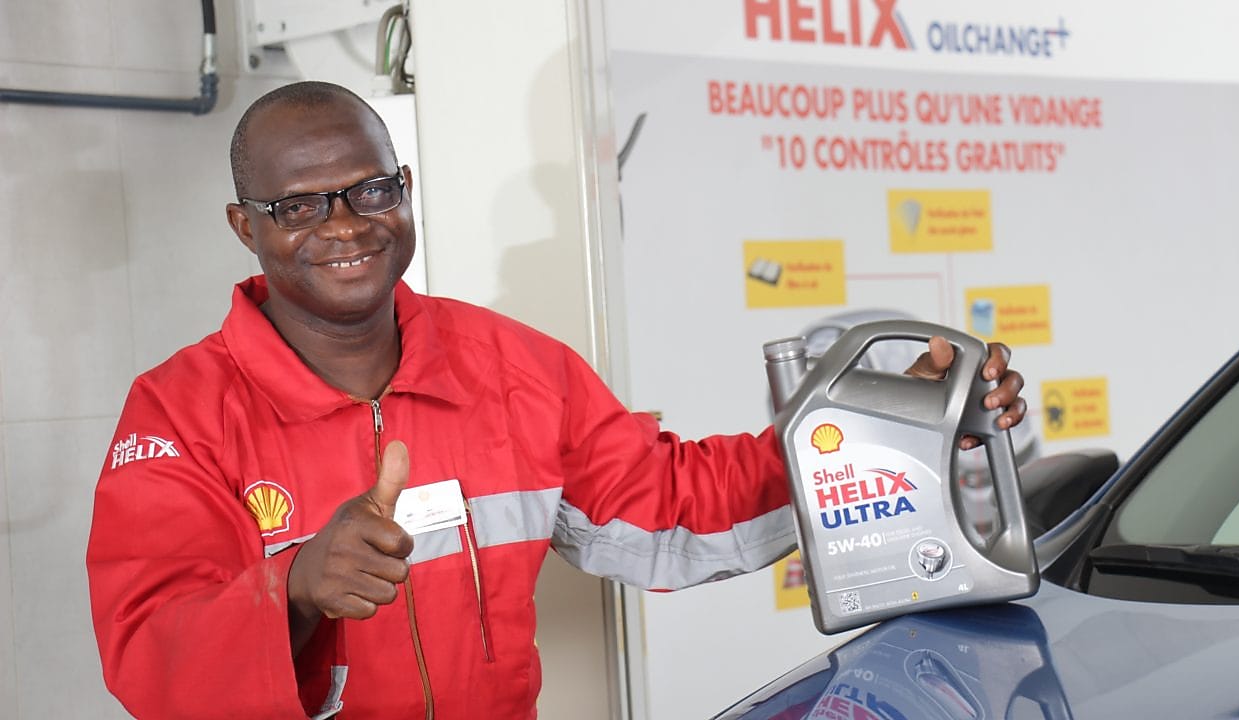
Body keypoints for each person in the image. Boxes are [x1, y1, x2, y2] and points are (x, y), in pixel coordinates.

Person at [85, 81, 1027, 720]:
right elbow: (146, 655)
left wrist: (875, 431)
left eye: (372, 188)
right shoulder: (178, 413)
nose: (346, 224)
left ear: (404, 192)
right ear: (245, 225)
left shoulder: (508, 368)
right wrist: (292, 590)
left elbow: (673, 509)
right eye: (301, 205)